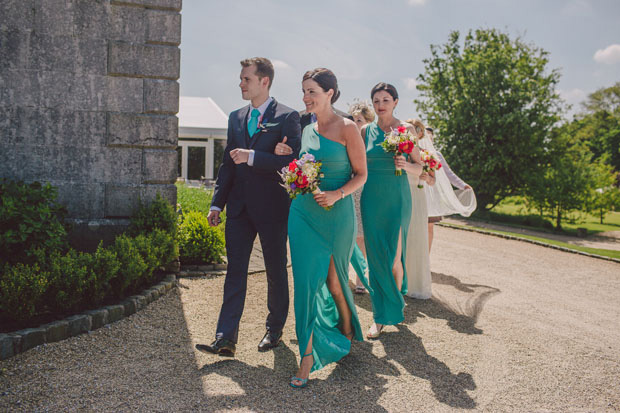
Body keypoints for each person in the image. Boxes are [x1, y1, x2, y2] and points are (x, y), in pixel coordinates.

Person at [195, 57, 302, 358]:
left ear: (264, 81)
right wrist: (217, 202)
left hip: (272, 208)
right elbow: (227, 164)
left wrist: (254, 156)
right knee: (235, 273)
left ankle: (275, 329)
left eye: (246, 79)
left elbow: (292, 164)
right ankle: (225, 338)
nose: (240, 84)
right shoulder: (235, 117)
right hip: (238, 209)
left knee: (275, 271)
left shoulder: (288, 116)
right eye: (241, 79)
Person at [274, 68, 367, 388]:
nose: (305, 97)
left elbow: (361, 174)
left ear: (330, 93)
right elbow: (306, 169)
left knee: (336, 282)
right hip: (302, 214)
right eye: (303, 91)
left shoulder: (348, 128)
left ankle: (346, 328)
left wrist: (337, 194)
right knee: (305, 284)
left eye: (311, 91)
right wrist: (289, 163)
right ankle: (307, 357)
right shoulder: (307, 129)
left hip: (337, 214)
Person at [361, 83, 422, 339]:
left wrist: (405, 165)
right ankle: (381, 316)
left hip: (397, 199)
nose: (380, 104)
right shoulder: (364, 131)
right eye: (376, 100)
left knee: (393, 259)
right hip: (371, 199)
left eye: (385, 99)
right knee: (375, 261)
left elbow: (420, 169)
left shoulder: (405, 130)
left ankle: (393, 305)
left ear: (395, 102)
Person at [422, 127, 476, 252]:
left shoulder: (437, 155)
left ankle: (426, 257)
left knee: (429, 226)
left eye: (431, 136)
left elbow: (449, 174)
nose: (429, 138)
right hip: (418, 193)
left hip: (432, 196)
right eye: (426, 135)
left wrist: (463, 185)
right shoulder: (414, 152)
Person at [403, 119, 435, 299]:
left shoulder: (425, 154)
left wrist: (426, 178)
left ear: (420, 133)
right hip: (400, 195)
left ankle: (416, 283)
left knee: (416, 237)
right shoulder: (400, 151)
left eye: (416, 129)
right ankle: (399, 279)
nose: (413, 131)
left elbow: (433, 180)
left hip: (417, 196)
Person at [347, 100, 375, 294]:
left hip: (365, 190)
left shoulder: (371, 141)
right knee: (347, 235)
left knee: (361, 237)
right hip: (347, 190)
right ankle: (343, 274)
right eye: (353, 119)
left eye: (359, 119)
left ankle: (360, 280)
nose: (355, 122)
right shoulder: (345, 138)